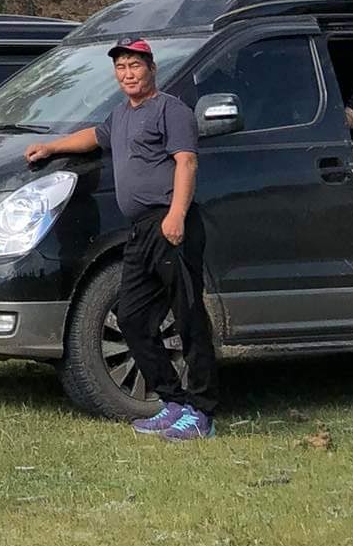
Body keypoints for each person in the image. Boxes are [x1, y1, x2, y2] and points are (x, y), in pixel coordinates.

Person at [26, 35, 217, 441]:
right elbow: (94, 136)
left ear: (152, 69)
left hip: (169, 223)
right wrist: (51, 147)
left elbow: (186, 163)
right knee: (130, 317)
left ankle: (201, 414)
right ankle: (173, 401)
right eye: (121, 67)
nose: (128, 73)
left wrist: (176, 215)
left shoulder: (171, 110)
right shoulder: (120, 116)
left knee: (188, 316)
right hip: (140, 231)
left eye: (135, 65)